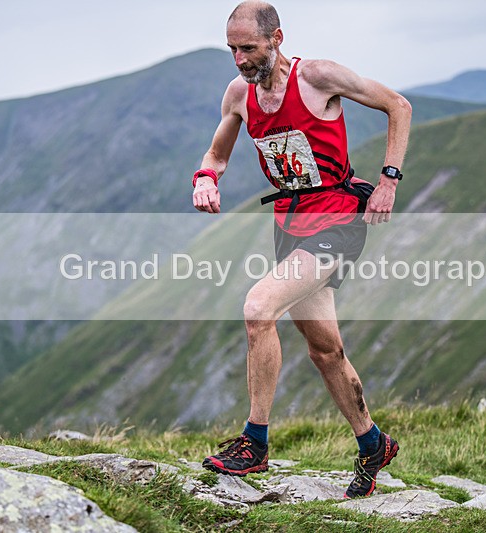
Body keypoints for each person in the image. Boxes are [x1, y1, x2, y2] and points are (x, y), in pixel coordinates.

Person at [192, 0, 411, 498]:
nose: (240, 59)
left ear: (277, 38)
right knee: (324, 350)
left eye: (248, 48)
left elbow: (399, 105)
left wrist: (388, 182)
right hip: (290, 226)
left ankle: (255, 442)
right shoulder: (239, 94)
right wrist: (206, 177)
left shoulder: (317, 77)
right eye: (232, 49)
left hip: (338, 220)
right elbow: (216, 153)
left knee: (257, 307)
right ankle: (373, 443)